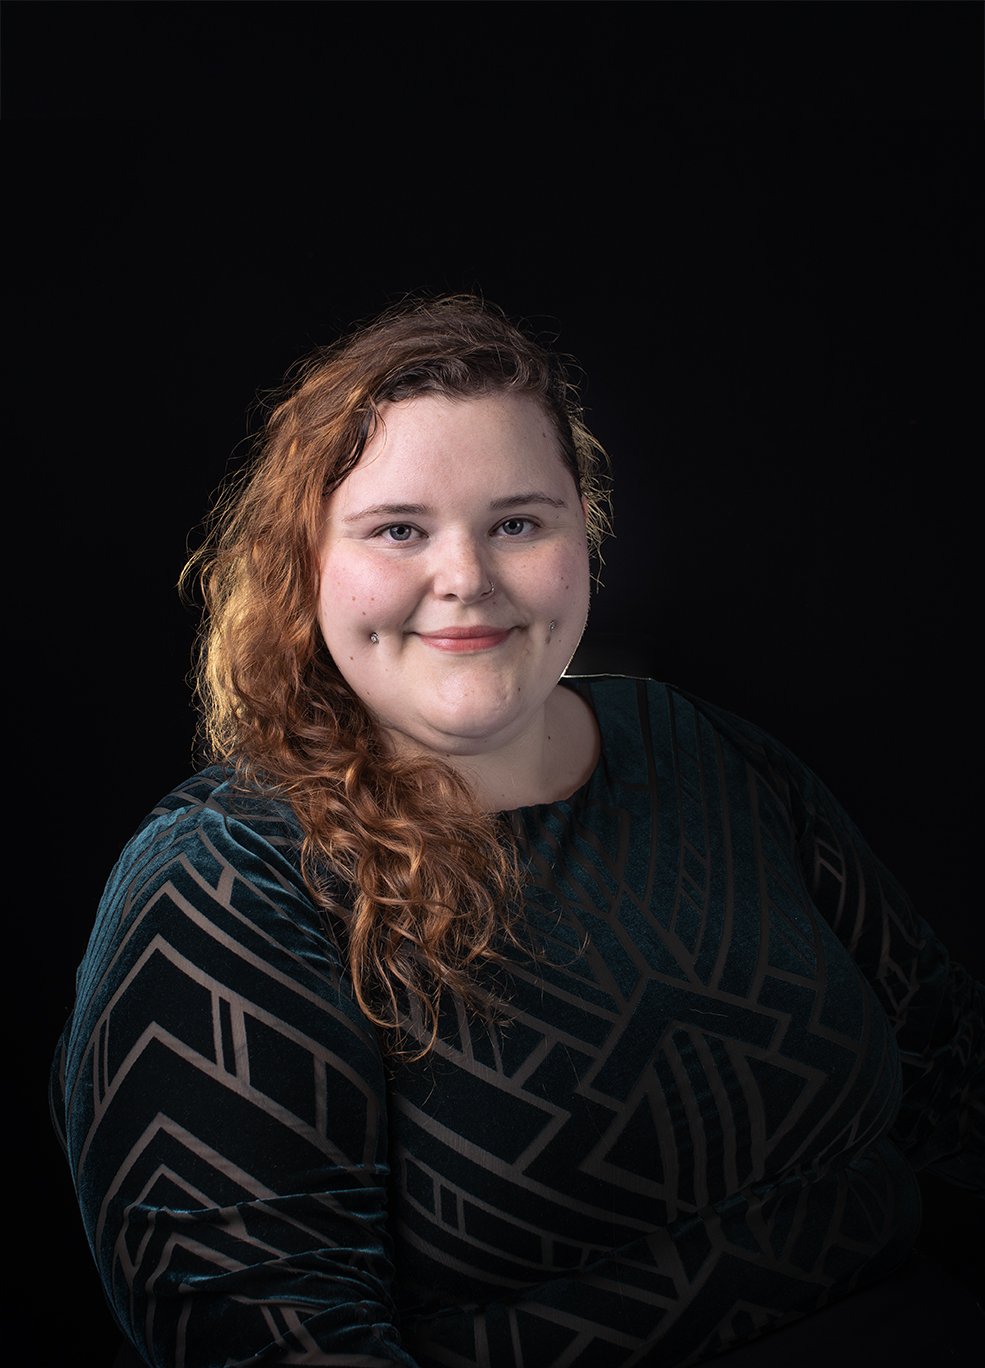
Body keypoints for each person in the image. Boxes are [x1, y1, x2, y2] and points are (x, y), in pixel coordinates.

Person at [51, 294, 982, 1368]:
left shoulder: (697, 749)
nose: (466, 579)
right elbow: (262, 1334)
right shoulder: (224, 884)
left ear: (580, 536)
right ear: (305, 565)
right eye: (399, 530)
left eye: (517, 523)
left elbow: (950, 1069)